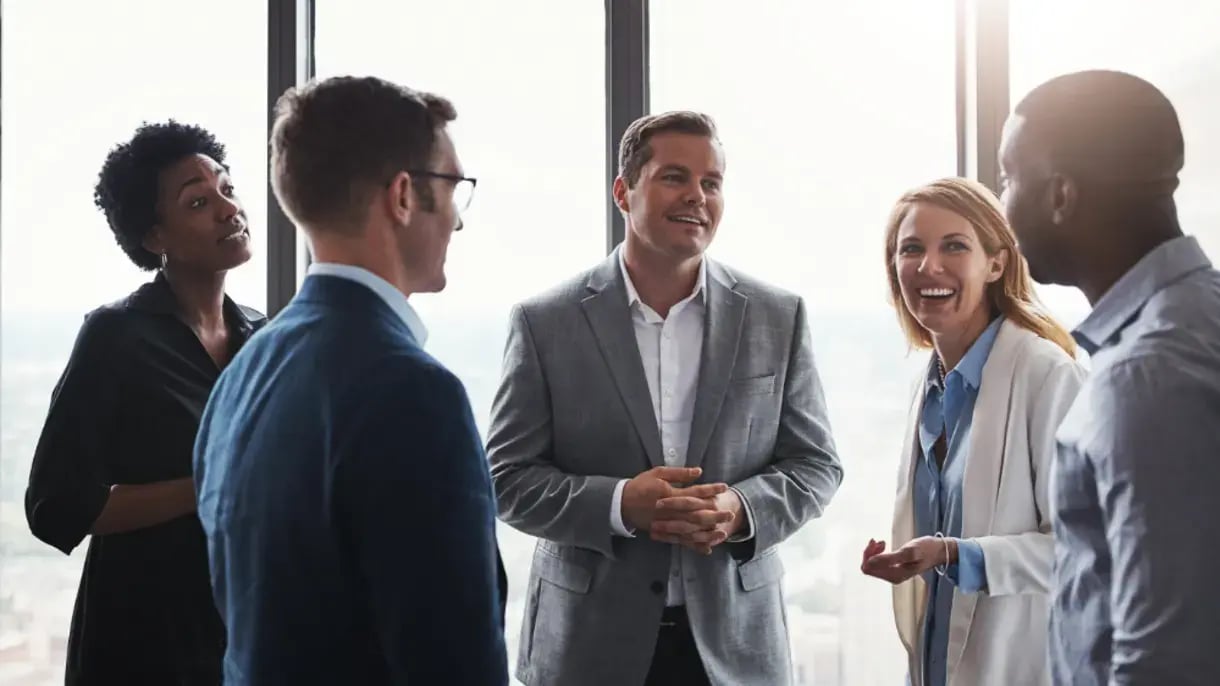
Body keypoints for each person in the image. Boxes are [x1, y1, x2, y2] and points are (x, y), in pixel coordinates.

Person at [486, 110, 843, 686]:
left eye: (712, 182)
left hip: (735, 649)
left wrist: (741, 511)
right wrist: (621, 505)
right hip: (589, 647)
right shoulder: (543, 322)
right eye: (675, 177)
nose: (697, 196)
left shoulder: (778, 317)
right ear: (623, 192)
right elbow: (505, 478)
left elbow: (817, 465)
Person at [193, 76, 507, 685]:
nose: (459, 223)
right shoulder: (414, 393)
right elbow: (454, 662)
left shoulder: (244, 374)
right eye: (452, 188)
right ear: (402, 197)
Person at [1000, 69, 1220, 684]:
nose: (1003, 202)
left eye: (1008, 176)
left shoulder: (1147, 376)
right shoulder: (1200, 314)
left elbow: (1166, 660)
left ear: (1061, 196)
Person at [24, 121, 262, 684]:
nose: (229, 209)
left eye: (227, 189)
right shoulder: (116, 336)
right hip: (141, 643)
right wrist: (206, 487)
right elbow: (55, 507)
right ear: (155, 238)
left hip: (241, 637)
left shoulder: (264, 338)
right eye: (199, 202)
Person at [861, 177, 1084, 685]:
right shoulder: (930, 385)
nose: (928, 267)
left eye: (954, 246)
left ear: (997, 263)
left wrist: (955, 555)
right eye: (911, 248)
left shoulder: (1047, 375)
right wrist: (918, 559)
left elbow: (1083, 547)